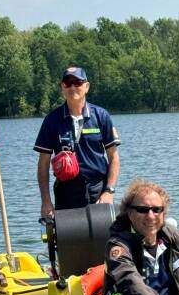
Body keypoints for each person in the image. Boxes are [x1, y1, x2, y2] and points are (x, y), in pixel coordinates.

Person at [34, 67, 120, 215]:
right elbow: (43, 164)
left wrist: (109, 191)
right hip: (66, 193)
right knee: (68, 238)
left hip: (98, 191)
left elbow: (114, 157)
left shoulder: (101, 116)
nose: (73, 87)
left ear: (86, 87)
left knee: (102, 237)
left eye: (78, 82)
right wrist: (46, 201)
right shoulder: (51, 120)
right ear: (62, 87)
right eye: (68, 83)